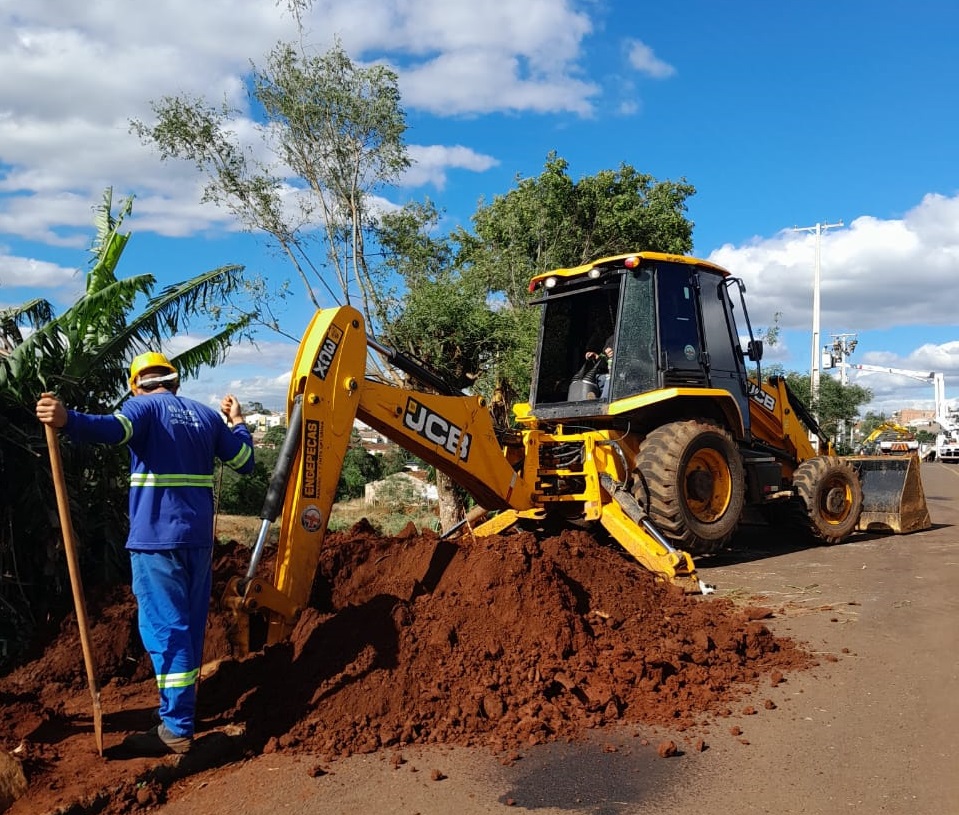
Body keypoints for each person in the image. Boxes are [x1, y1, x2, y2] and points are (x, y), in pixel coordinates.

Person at [36, 351, 255, 757]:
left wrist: (67, 420)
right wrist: (238, 421)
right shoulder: (206, 416)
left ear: (136, 383)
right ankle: (180, 717)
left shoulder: (142, 406)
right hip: (198, 541)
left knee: (165, 630)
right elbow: (245, 462)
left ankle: (175, 729)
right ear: (175, 381)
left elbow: (111, 430)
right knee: (187, 626)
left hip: (156, 540)